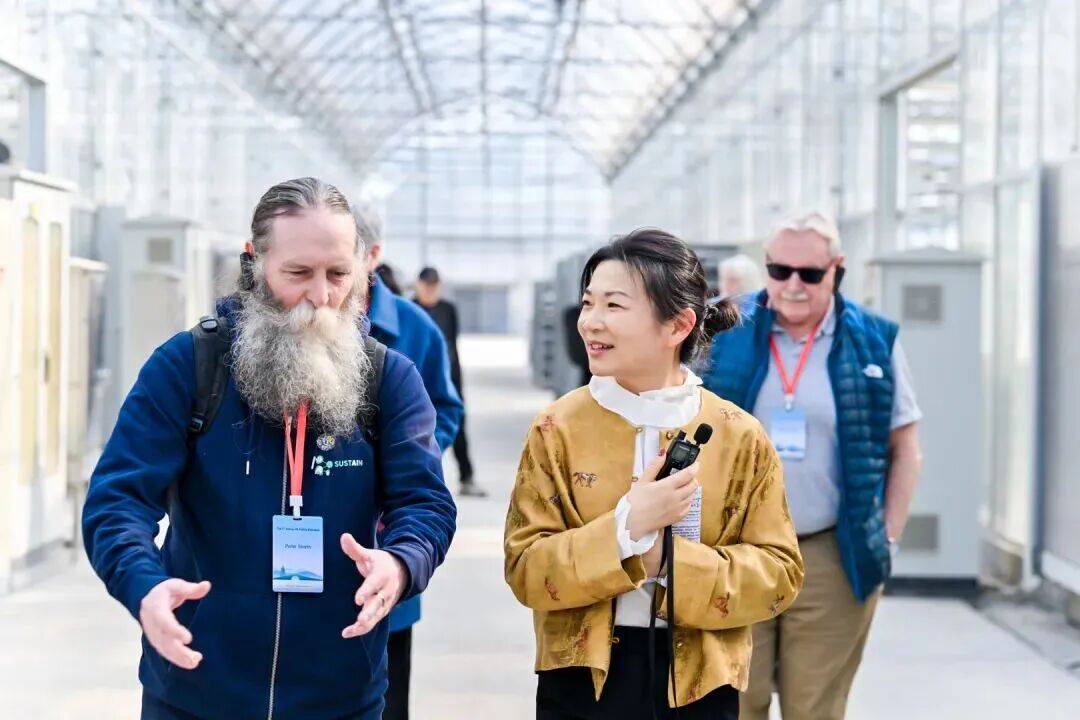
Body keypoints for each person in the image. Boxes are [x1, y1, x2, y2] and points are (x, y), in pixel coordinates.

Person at [82, 177, 457, 720]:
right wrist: (144, 585)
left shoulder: (388, 379)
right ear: (254, 262)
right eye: (298, 273)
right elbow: (117, 500)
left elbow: (426, 504)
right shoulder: (189, 367)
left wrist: (401, 562)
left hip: (340, 697)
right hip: (194, 690)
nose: (321, 296)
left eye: (338, 275)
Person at [504, 228, 804, 720]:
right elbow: (525, 569)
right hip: (579, 682)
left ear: (678, 325)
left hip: (702, 685)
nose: (590, 322)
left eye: (614, 306)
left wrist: (668, 562)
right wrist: (625, 532)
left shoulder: (739, 435)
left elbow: (780, 573)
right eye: (588, 303)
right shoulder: (557, 429)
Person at [701, 210, 923, 720]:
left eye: (810, 273)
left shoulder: (874, 340)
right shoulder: (725, 328)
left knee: (814, 706)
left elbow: (906, 446)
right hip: (736, 547)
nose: (793, 285)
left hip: (831, 553)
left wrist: (888, 537)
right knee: (735, 700)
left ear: (837, 269)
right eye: (780, 271)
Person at [351, 206, 463, 720]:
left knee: (386, 692)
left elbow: (446, 408)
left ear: (373, 255)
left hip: (385, 532)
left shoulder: (416, 330)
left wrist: (409, 455)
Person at [413, 266, 487, 499]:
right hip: (419, 379)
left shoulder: (448, 309)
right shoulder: (410, 309)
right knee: (417, 431)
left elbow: (453, 345)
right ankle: (419, 481)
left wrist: (455, 379)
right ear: (418, 285)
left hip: (449, 377)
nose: (430, 290)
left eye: (434, 286)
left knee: (457, 426)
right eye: (426, 285)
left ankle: (467, 477)